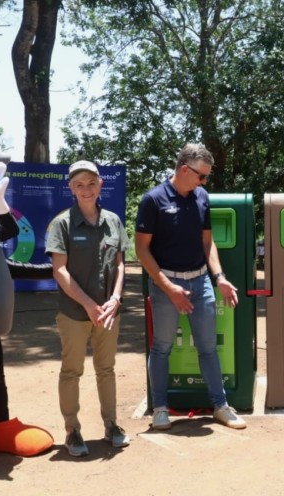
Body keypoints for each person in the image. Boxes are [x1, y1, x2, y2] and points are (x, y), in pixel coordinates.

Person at [135, 143, 246, 431]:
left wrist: (219, 277)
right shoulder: (153, 200)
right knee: (162, 348)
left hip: (201, 282)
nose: (204, 182)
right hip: (165, 286)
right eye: (202, 176)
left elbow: (207, 242)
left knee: (208, 348)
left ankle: (220, 406)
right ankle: (160, 409)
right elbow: (142, 251)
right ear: (185, 169)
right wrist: (168, 287)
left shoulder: (202, 197)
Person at [46, 160, 131, 457]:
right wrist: (88, 304)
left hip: (109, 312)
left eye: (91, 183)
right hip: (74, 312)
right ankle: (72, 429)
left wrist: (116, 299)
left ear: (100, 185)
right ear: (70, 188)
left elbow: (120, 264)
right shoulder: (62, 224)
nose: (86, 189)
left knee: (106, 369)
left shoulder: (113, 221)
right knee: (72, 371)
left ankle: (111, 425)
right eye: (79, 184)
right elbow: (60, 271)